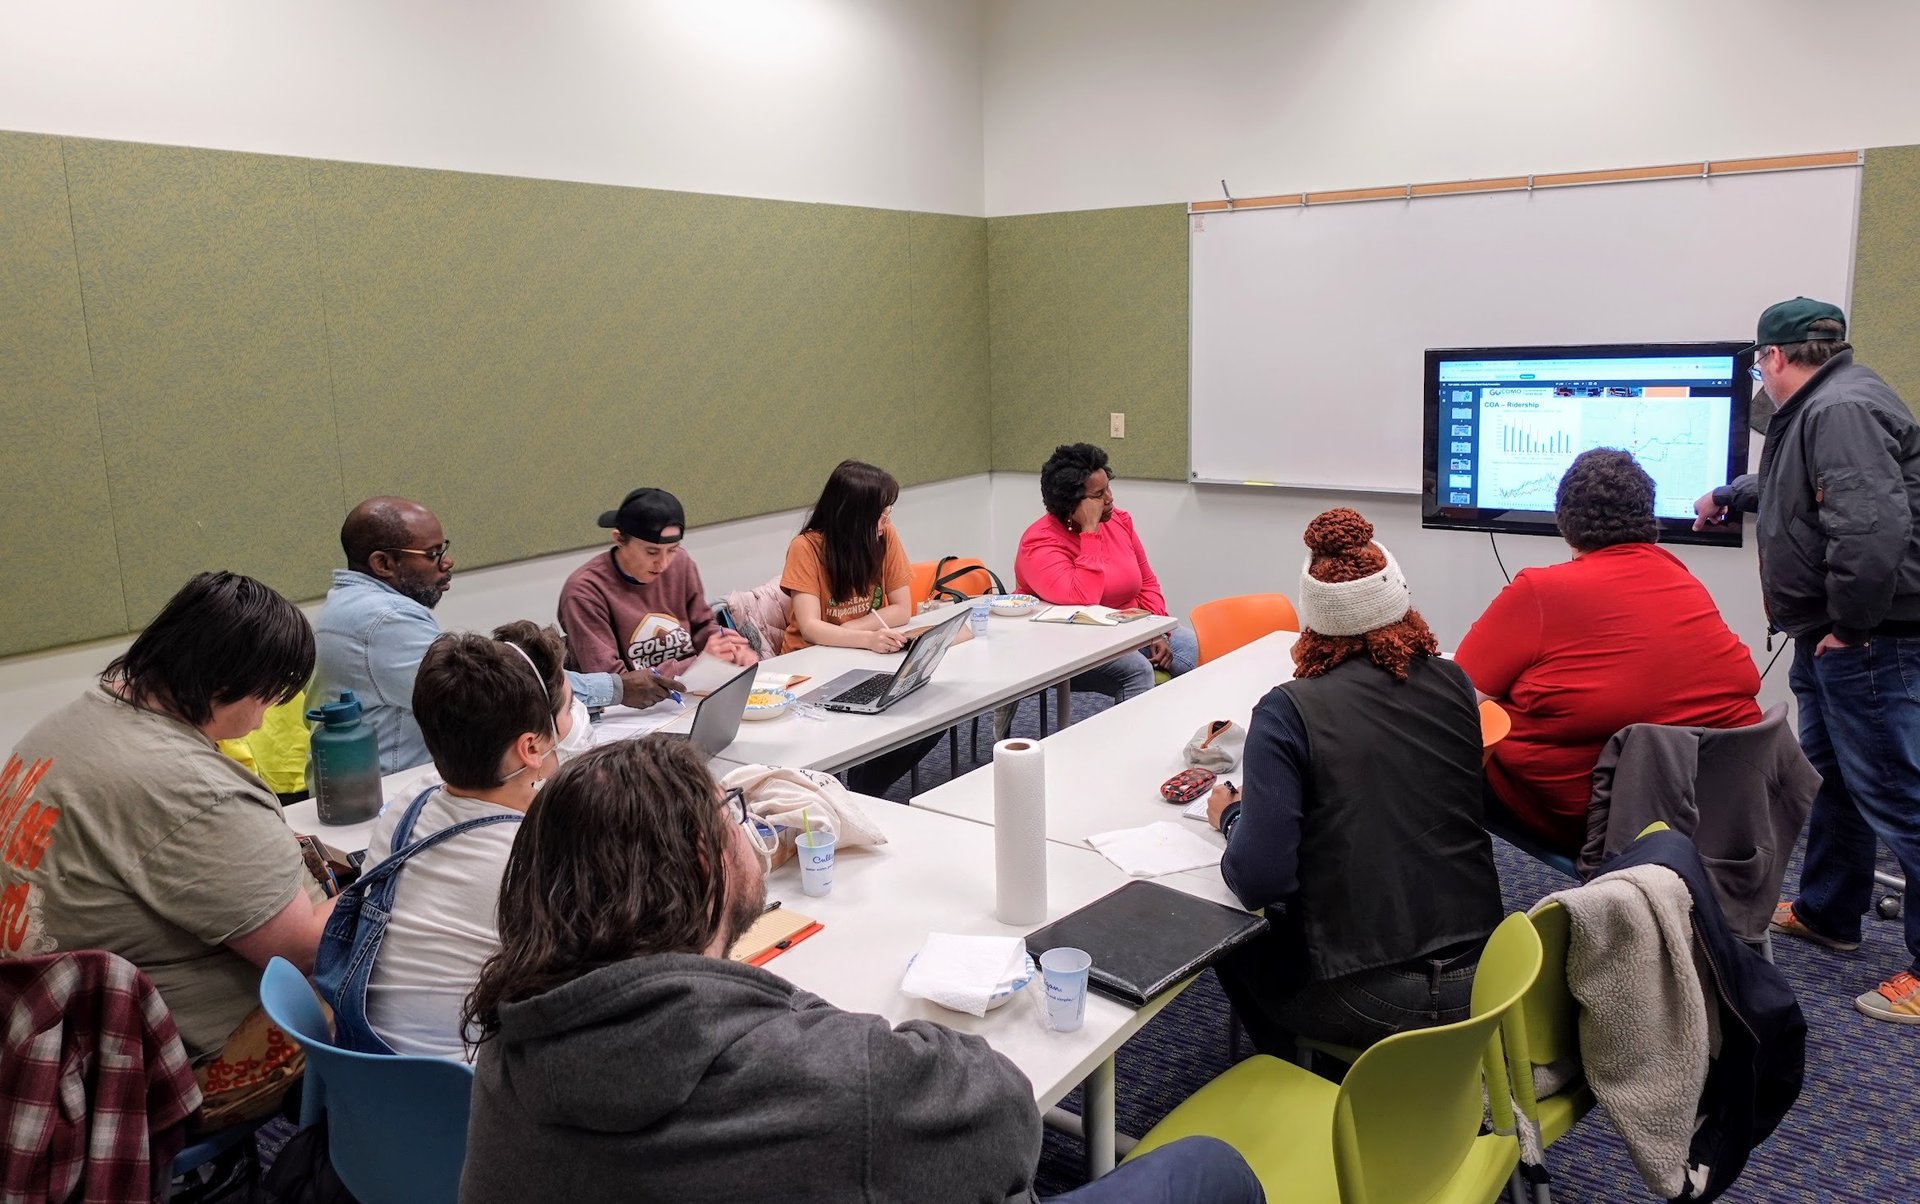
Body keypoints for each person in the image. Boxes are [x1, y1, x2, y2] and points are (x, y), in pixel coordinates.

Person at [458, 736, 1263, 1204]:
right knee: (1210, 1169)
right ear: (706, 866)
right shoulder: (848, 1076)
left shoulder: (506, 1057)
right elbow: (1007, 1130)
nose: (752, 834)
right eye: (736, 818)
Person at [0, 573, 332, 1088]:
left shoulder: (73, 721)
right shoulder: (185, 785)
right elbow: (301, 949)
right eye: (266, 701)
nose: (264, 721)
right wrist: (391, 880)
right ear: (222, 686)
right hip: (149, 1063)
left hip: (41, 1028)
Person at [1694, 297, 1920, 1025]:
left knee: (1898, 796)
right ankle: (1830, 910)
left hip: (1871, 639)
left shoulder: (1838, 411)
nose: (1760, 373)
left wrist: (1851, 630)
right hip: (1837, 633)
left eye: (1760, 361)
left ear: (1774, 357)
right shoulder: (1829, 403)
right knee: (1835, 781)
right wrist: (1734, 493)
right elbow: (1806, 491)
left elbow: (1872, 530)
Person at [1206, 510, 1503, 1054]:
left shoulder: (1287, 712)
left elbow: (1258, 879)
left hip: (1377, 993)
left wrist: (1232, 816)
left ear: (1312, 617)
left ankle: (1302, 1078)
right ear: (1401, 597)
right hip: (1489, 972)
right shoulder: (1456, 684)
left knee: (1228, 943)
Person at [1457, 449, 1762, 851]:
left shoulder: (1538, 592)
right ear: (1647, 520)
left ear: (1566, 526)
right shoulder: (1678, 577)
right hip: (1702, 812)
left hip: (1594, 820)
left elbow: (1456, 699)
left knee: (1430, 747)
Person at [328, 629, 563, 1059]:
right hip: (471, 1100)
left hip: (374, 1075)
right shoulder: (536, 858)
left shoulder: (408, 804)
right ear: (530, 746)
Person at [311, 496, 665, 776]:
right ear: (383, 564)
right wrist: (616, 688)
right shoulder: (384, 621)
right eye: (433, 555)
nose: (447, 562)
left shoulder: (350, 605)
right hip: (392, 791)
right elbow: (499, 688)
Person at [780, 460, 942, 796]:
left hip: (860, 655)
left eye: (888, 512)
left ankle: (865, 789)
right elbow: (810, 628)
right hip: (808, 666)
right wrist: (865, 638)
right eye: (880, 514)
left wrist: (855, 629)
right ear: (853, 516)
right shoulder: (806, 547)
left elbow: (903, 607)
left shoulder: (885, 536)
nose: (886, 522)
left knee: (934, 711)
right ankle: (850, 792)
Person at [1014, 443, 1198, 704]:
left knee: (1187, 645)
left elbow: (1146, 581)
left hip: (1126, 629)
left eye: (1108, 488)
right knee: (1137, 670)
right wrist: (1089, 531)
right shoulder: (1039, 543)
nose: (1110, 498)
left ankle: (1171, 728)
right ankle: (1132, 741)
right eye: (1099, 494)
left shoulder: (1119, 520)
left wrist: (1156, 631)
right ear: (1072, 504)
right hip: (1068, 643)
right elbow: (1082, 598)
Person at [557, 487, 756, 680]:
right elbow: (614, 684)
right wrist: (699, 663)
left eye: (672, 549)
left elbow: (702, 625)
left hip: (691, 688)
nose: (663, 563)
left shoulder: (681, 563)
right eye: (651, 552)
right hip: (633, 709)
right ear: (619, 539)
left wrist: (728, 648)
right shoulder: (584, 592)